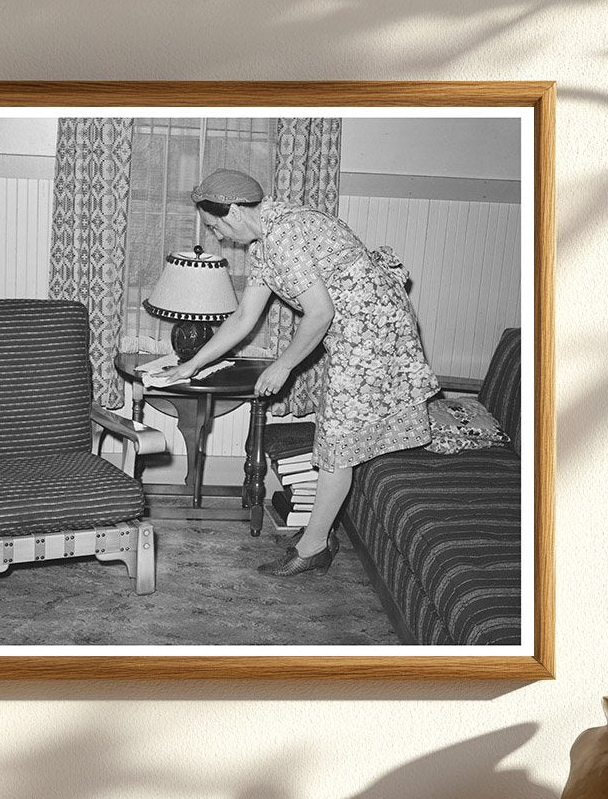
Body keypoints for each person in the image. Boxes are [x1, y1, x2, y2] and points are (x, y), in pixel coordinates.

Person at [162, 168, 439, 578]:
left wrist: (284, 365)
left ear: (235, 212)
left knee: (337, 444)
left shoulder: (284, 237)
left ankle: (313, 547)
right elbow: (243, 318)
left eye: (214, 225)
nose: (217, 236)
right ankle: (317, 537)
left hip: (374, 340)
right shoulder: (266, 241)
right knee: (336, 440)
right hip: (359, 334)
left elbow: (320, 313)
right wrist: (190, 364)